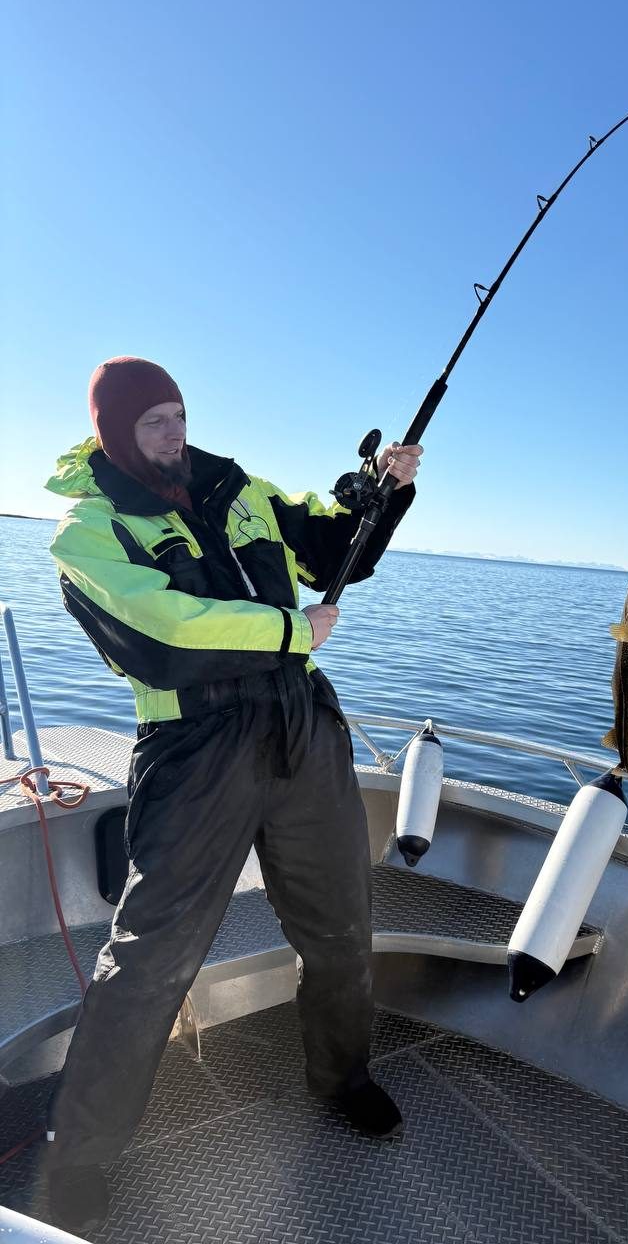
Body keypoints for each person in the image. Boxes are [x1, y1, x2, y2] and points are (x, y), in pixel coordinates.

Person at [41, 356, 423, 1234]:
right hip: (194, 745)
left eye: (177, 414)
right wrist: (294, 629)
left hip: (301, 728)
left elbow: (329, 548)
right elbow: (163, 637)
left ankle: (343, 1078)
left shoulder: (235, 487)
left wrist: (377, 494)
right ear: (113, 433)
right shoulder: (86, 532)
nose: (173, 433)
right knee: (150, 962)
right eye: (152, 423)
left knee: (340, 923)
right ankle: (81, 1156)